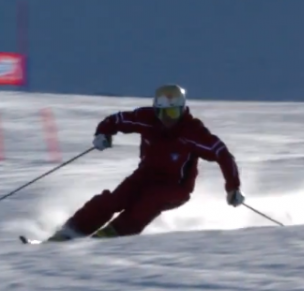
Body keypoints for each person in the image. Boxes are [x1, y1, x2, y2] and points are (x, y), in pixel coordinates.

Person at [48, 84, 244, 241]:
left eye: (173, 113)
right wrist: (103, 134)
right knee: (115, 199)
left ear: (182, 110)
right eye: (162, 113)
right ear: (156, 110)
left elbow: (223, 155)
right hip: (145, 176)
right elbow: (117, 120)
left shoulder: (192, 131)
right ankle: (73, 230)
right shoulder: (147, 119)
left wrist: (233, 188)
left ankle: (116, 234)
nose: (167, 119)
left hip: (176, 187)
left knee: (149, 201)